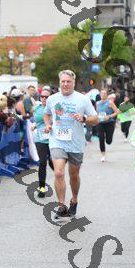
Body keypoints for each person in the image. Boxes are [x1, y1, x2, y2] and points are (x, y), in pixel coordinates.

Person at [43, 70, 98, 218]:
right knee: (58, 173)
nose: (65, 84)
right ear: (59, 82)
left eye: (68, 81)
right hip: (57, 141)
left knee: (74, 175)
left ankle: (74, 200)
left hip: (76, 142)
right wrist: (48, 125)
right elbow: (46, 113)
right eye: (63, 81)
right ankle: (61, 206)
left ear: (74, 83)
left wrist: (84, 118)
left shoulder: (83, 99)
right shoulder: (52, 99)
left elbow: (95, 119)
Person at [32, 89, 54, 197]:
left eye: (46, 97)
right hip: (40, 139)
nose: (44, 98)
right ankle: (42, 188)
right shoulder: (36, 108)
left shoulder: (55, 107)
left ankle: (59, 177)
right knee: (42, 162)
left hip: (53, 138)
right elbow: (37, 121)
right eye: (42, 96)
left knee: (53, 162)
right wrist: (34, 125)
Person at [95, 90, 119, 162]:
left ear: (106, 95)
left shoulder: (110, 103)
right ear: (100, 95)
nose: (103, 95)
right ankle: (103, 155)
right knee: (101, 138)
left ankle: (108, 138)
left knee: (108, 141)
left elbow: (117, 112)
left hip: (109, 123)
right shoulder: (97, 103)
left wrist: (109, 116)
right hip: (100, 123)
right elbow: (96, 112)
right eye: (102, 93)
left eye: (104, 93)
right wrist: (96, 118)